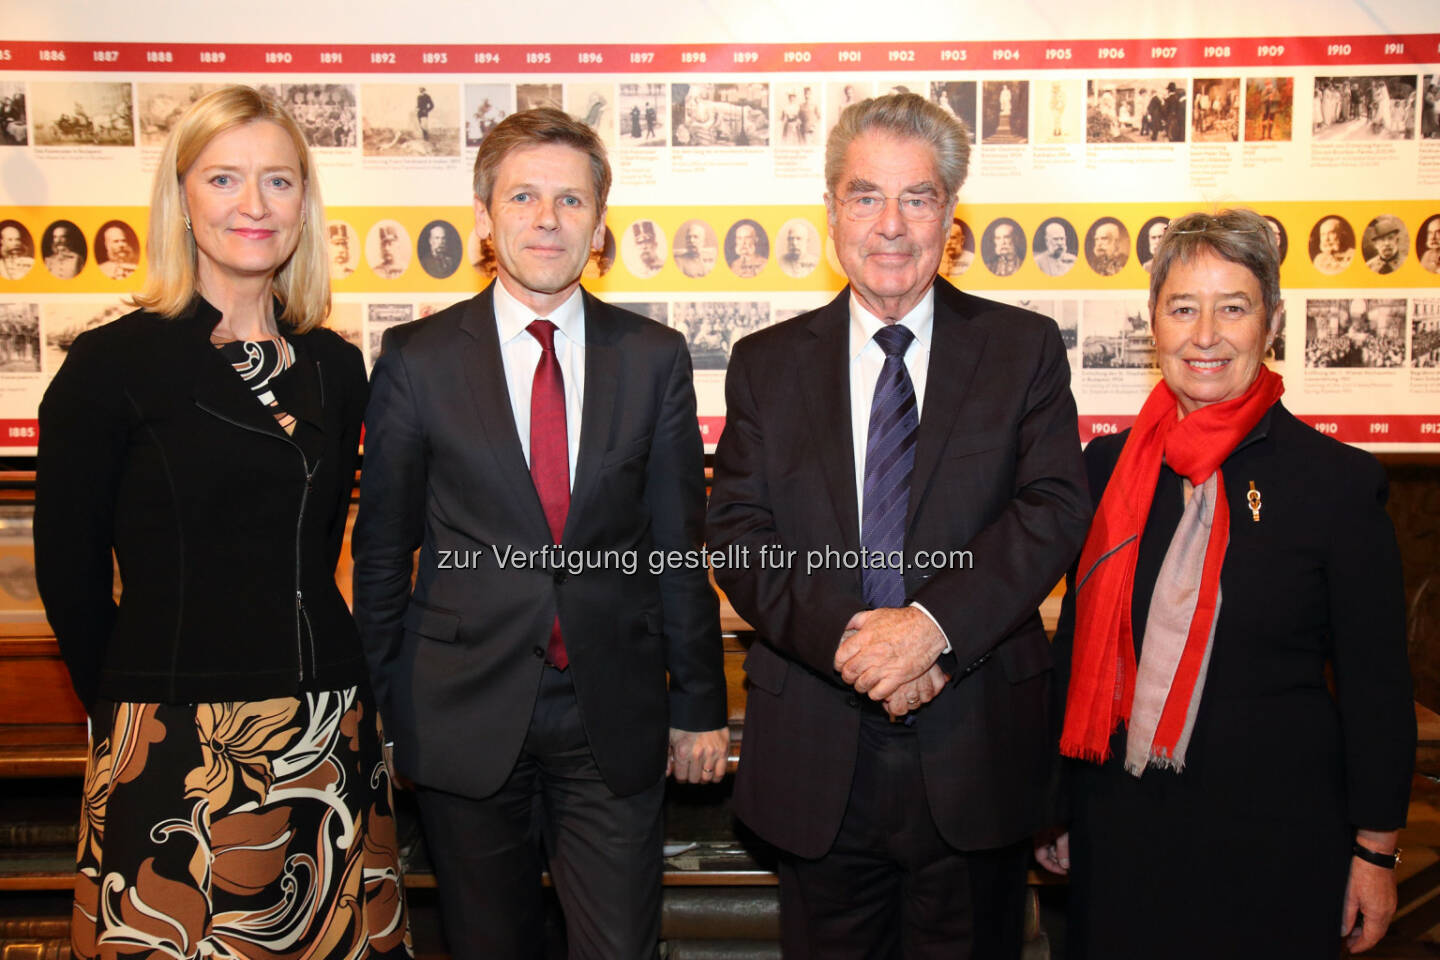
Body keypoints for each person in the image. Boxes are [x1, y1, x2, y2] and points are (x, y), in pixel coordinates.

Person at [707, 92, 1089, 959]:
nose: (890, 224)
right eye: (865, 195)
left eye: (916, 197)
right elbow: (737, 530)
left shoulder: (1022, 348)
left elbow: (1053, 507)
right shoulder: (764, 364)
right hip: (818, 752)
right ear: (832, 209)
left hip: (977, 741)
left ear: (949, 218)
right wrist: (859, 644)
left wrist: (930, 631)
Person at [34, 84, 408, 960]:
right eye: (225, 179)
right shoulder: (111, 363)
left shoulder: (334, 363)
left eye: (278, 182)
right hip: (169, 736)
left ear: (304, 204)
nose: (253, 204)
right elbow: (70, 571)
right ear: (182, 197)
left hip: (325, 723)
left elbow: (317, 551)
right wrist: (130, 707)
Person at [352, 107, 728, 960]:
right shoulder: (416, 359)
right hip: (461, 709)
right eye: (523, 196)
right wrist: (377, 710)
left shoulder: (655, 356)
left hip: (614, 713)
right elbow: (383, 551)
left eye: (570, 200)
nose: (547, 219)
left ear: (600, 225)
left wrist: (699, 703)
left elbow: (678, 547)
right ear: (484, 218)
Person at [1041, 208, 1414, 959]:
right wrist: (1056, 808)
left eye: (1232, 308)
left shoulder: (1336, 483)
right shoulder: (1104, 471)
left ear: (1271, 322)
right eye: (1183, 308)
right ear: (1155, 323)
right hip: (1122, 830)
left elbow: (1378, 688)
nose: (1204, 334)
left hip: (1277, 839)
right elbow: (1076, 650)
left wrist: (1375, 852)